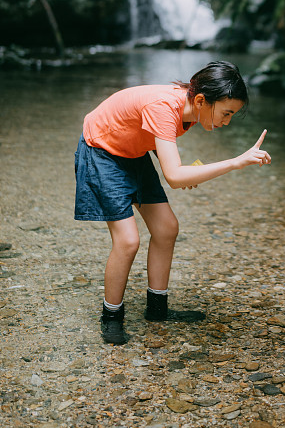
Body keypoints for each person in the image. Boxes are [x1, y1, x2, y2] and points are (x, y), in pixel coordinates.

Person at [74, 60, 271, 345]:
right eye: (226, 113)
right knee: (128, 241)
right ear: (202, 100)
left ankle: (157, 310)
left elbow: (157, 143)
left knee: (167, 228)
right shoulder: (165, 107)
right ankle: (112, 316)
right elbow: (175, 177)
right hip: (102, 152)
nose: (226, 122)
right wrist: (235, 162)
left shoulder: (191, 109)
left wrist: (185, 170)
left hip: (132, 151)